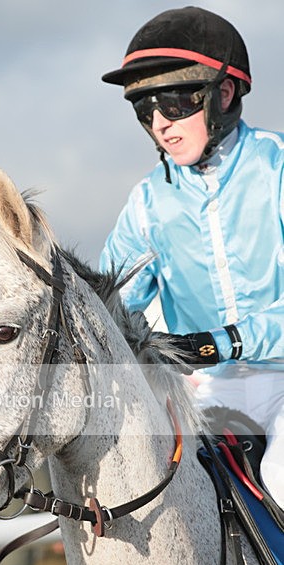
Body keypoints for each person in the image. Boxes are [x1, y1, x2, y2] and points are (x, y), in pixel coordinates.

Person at [99, 6, 284, 509]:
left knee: (281, 474)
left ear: (223, 94)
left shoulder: (277, 168)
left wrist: (221, 342)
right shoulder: (146, 204)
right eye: (145, 109)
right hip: (213, 389)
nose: (160, 124)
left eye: (175, 103)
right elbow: (108, 307)